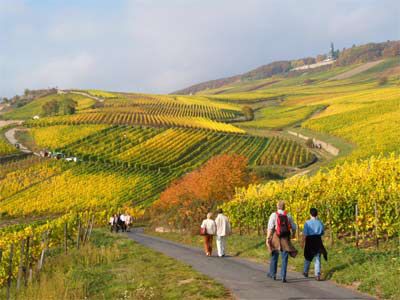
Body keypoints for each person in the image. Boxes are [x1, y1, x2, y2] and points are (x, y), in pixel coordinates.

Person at [266, 201, 297, 283]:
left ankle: (273, 274)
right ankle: (283, 276)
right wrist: (293, 235)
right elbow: (294, 227)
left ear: (277, 206)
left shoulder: (274, 215)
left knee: (274, 255)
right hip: (285, 238)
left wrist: (268, 238)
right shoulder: (288, 215)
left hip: (276, 236)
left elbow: (270, 227)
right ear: (284, 207)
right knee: (284, 257)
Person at [303, 208, 327, 281]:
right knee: (317, 257)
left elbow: (305, 234)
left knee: (308, 256)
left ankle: (305, 271)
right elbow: (322, 232)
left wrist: (302, 242)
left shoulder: (307, 223)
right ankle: (317, 274)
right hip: (317, 240)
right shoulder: (320, 223)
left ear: (310, 214)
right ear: (317, 214)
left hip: (309, 240)